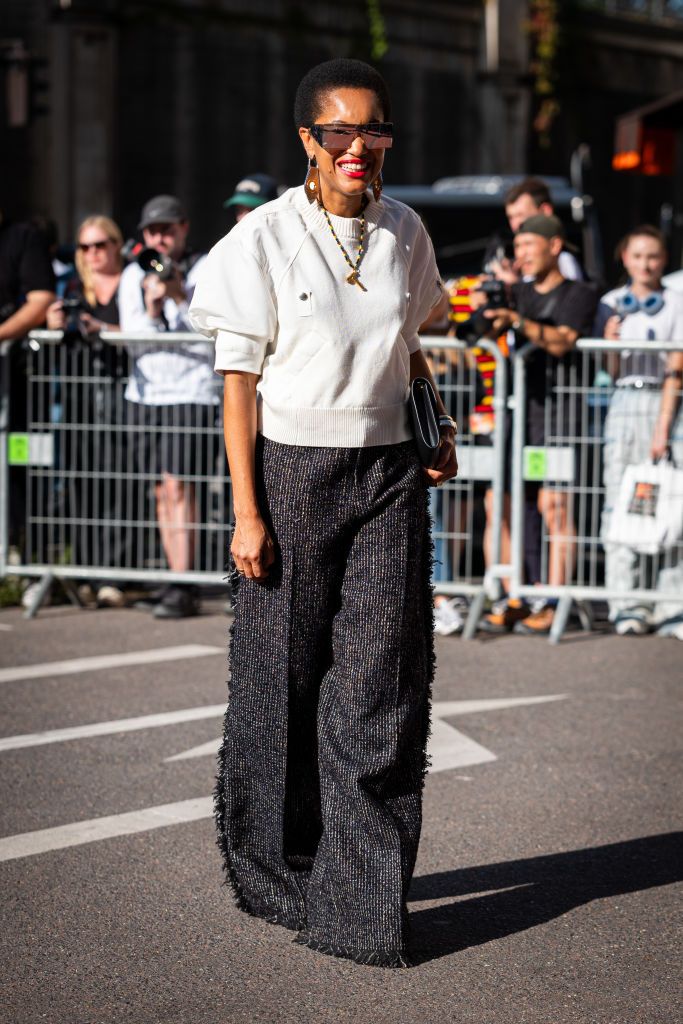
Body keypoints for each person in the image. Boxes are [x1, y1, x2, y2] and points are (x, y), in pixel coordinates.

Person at [189, 57, 457, 968]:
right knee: (284, 678)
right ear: (308, 139)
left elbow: (408, 343)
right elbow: (238, 387)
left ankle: (361, 901)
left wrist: (433, 420)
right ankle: (274, 864)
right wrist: (247, 513)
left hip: (386, 470)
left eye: (371, 129)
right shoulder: (261, 239)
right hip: (290, 469)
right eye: (336, 131)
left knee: (381, 685)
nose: (356, 146)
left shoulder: (405, 232)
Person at [479, 213, 597, 635]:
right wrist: (486, 313)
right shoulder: (516, 293)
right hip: (516, 414)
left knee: (555, 505)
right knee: (499, 502)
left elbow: (563, 341)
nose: (522, 254)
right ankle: (512, 596)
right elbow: (484, 341)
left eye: (530, 244)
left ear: (555, 246)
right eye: (518, 245)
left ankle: (553, 598)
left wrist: (518, 322)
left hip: (559, 416)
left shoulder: (579, 293)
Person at [118, 194, 219, 618]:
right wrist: (153, 306)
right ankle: (174, 576)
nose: (159, 239)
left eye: (167, 230)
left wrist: (178, 296)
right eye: (152, 232)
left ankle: (183, 580)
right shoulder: (132, 275)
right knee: (161, 489)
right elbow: (135, 337)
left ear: (183, 228)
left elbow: (209, 330)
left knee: (181, 486)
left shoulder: (205, 268)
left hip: (190, 391)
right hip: (146, 394)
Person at [600, 225, 683, 639]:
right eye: (638, 256)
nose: (646, 264)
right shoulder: (611, 303)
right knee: (620, 502)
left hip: (666, 402)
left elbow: (676, 367)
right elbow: (608, 371)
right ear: (625, 258)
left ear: (664, 260)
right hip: (624, 401)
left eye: (653, 256)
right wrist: (610, 344)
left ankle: (670, 604)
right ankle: (625, 603)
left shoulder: (677, 303)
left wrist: (663, 428)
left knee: (670, 504)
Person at [484, 176, 583, 283]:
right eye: (511, 217)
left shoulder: (563, 261)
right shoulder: (518, 264)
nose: (515, 224)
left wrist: (514, 286)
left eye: (521, 215)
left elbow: (564, 296)